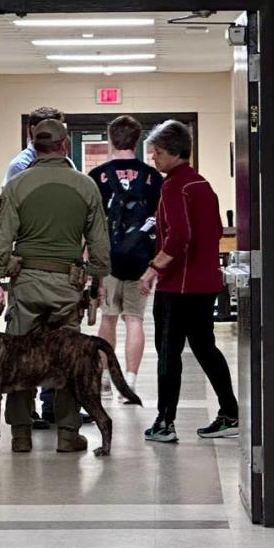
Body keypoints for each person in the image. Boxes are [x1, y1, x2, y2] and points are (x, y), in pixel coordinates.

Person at [0, 119, 110, 453]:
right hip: (67, 286)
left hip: (26, 284)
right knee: (67, 357)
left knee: (19, 356)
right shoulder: (85, 186)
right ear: (65, 145)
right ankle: (68, 433)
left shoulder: (16, 186)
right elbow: (99, 243)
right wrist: (96, 277)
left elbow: (0, 239)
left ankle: (21, 434)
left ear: (33, 144)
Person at [138, 120, 239, 443]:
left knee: (169, 352)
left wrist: (154, 268)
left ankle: (165, 422)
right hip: (206, 282)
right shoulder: (201, 184)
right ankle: (229, 412)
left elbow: (180, 237)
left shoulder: (174, 186)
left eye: (158, 153)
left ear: (174, 152)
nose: (153, 158)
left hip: (179, 286)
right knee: (204, 346)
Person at [88, 115, 163, 400]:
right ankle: (129, 381)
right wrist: (154, 266)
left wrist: (90, 263)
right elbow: (161, 222)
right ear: (138, 140)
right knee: (135, 319)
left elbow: (91, 222)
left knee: (108, 319)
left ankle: (106, 377)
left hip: (107, 259)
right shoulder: (153, 177)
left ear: (110, 139)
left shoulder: (98, 176)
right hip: (141, 258)